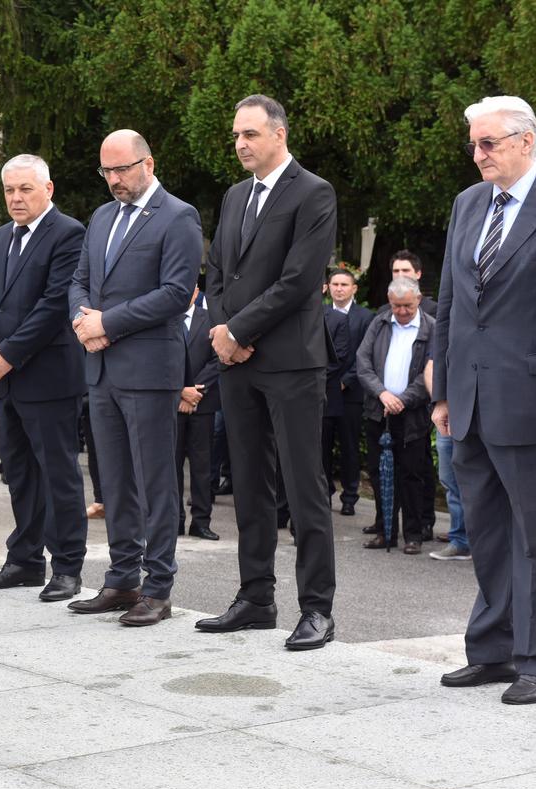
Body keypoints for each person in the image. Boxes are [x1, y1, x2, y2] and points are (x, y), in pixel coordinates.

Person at [196, 94, 339, 650]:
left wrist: (238, 332)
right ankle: (255, 597)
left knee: (304, 487)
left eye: (250, 134)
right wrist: (222, 331)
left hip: (290, 365)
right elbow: (216, 275)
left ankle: (318, 609)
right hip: (238, 365)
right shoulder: (235, 196)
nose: (240, 144)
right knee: (250, 484)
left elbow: (299, 279)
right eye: (236, 135)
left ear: (278, 134)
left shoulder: (313, 192)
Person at [66, 129, 201, 626]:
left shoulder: (178, 216)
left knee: (155, 481)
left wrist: (108, 323)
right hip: (101, 368)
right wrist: (84, 322)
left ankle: (158, 587)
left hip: (148, 370)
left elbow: (174, 292)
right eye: (106, 171)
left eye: (122, 169)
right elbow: (79, 279)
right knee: (115, 483)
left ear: (149, 162)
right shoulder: (101, 217)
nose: (114, 180)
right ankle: (122, 579)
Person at [433, 95, 536, 704]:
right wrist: (443, 390)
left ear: (526, 141)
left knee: (531, 536)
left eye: (489, 143)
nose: (478, 155)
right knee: (490, 534)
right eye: (473, 144)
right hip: (468, 401)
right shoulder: (468, 205)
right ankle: (493, 651)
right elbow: (449, 303)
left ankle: (532, 658)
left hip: (524, 398)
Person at [0, 154, 87, 602]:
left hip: (49, 376)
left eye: (26, 190)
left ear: (48, 189)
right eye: (10, 191)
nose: (16, 198)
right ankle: (25, 560)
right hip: (4, 377)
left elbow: (55, 305)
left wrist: (7, 354)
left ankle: (68, 566)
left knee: (58, 474)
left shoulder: (69, 234)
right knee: (17, 471)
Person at [355, 276, 435, 555]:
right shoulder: (380, 323)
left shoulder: (431, 327)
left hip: (412, 415)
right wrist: (382, 394)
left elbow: (431, 371)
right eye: (396, 306)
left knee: (411, 475)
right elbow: (363, 363)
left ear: (418, 301)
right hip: (379, 411)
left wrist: (402, 399)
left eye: (407, 307)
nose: (401, 312)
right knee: (379, 473)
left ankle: (413, 534)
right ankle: (384, 530)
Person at [323, 266, 373, 516]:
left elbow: (365, 353)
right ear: (328, 288)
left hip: (350, 393)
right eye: (335, 285)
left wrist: (346, 380)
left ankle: (350, 496)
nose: (339, 289)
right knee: (322, 446)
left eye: (344, 285)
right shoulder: (320, 314)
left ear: (354, 288)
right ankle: (324, 493)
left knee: (349, 447)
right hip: (323, 393)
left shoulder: (365, 317)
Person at [178, 284, 222, 541]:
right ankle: (175, 521)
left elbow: (218, 359)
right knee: (170, 466)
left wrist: (194, 392)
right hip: (172, 403)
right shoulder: (164, 319)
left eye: (190, 288)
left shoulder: (211, 320)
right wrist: (180, 391)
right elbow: (160, 358)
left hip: (202, 404)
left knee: (202, 466)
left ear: (196, 292)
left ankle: (201, 521)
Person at [423, 356, 471, 561]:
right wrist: (441, 401)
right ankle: (460, 541)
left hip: (477, 416)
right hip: (449, 417)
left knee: (480, 484)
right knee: (450, 481)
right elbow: (431, 367)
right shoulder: (449, 328)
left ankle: (485, 543)